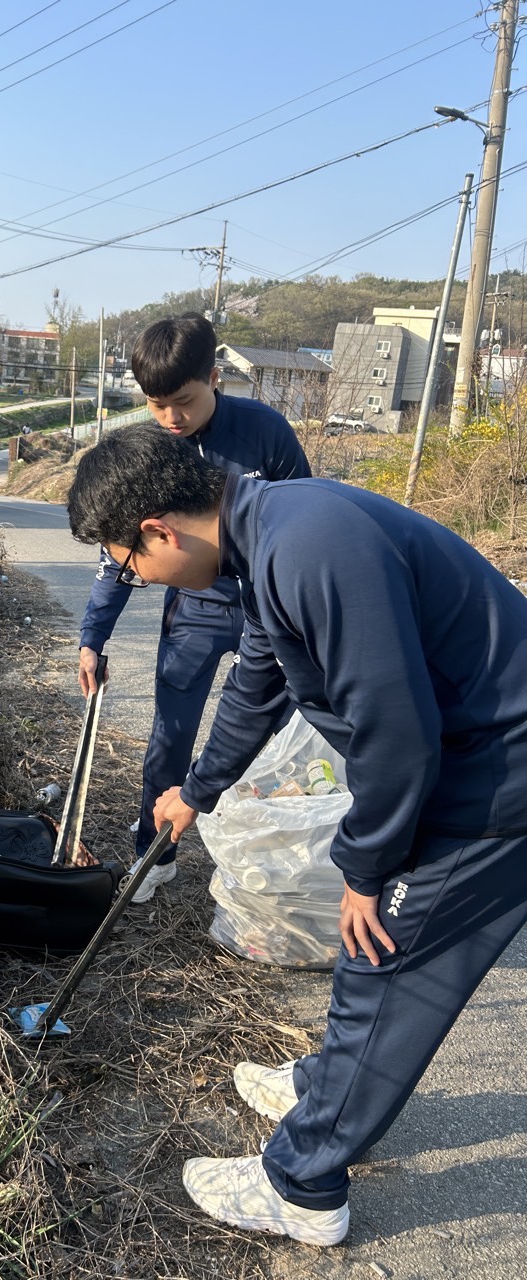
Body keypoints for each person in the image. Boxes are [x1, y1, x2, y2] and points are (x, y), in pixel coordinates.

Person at [67, 423, 527, 1246]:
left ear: (158, 531)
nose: (138, 579)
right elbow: (261, 675)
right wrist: (196, 792)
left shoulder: (309, 546)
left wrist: (365, 864)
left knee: (385, 961)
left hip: (494, 772)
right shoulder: (267, 534)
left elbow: (398, 731)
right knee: (371, 962)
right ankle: (328, 1086)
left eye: (130, 566)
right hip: (469, 756)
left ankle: (304, 1182)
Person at [78, 314, 310, 903]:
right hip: (199, 607)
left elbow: (301, 522)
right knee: (172, 731)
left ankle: (271, 858)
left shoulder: (266, 432)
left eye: (182, 401)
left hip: (271, 607)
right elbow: (123, 549)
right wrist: (93, 635)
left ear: (214, 378)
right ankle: (155, 855)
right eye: (156, 406)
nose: (170, 420)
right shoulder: (153, 451)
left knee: (276, 735)